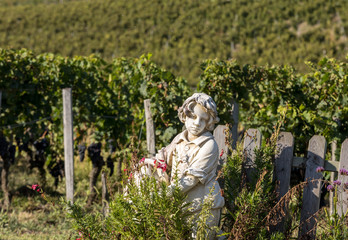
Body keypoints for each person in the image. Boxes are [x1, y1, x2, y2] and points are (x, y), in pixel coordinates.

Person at [141, 93, 225, 239]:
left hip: (202, 208)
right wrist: (147, 166)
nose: (197, 123)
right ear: (184, 116)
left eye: (203, 120)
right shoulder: (179, 140)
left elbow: (191, 180)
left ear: (209, 123)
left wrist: (162, 196)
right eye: (193, 116)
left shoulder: (209, 146)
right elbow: (163, 160)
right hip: (179, 207)